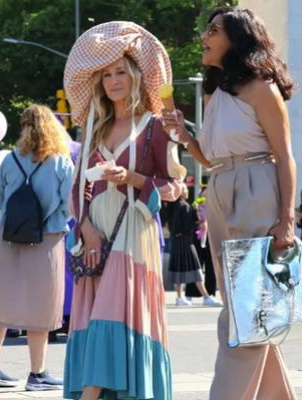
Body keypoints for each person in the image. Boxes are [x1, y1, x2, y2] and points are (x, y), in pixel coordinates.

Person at [163, 7, 297, 399]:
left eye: (214, 30)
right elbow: (209, 157)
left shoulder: (262, 88)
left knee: (246, 311)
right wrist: (185, 137)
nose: (204, 35)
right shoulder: (216, 90)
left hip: (256, 187)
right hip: (220, 188)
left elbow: (285, 155)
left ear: (236, 39)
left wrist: (286, 219)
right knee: (242, 307)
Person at [63, 21, 185, 400]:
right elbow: (76, 190)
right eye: (107, 74)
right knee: (93, 318)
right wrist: (85, 229)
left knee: (109, 318)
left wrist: (131, 178)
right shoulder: (95, 130)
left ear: (134, 76)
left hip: (134, 235)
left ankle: (90, 394)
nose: (114, 80)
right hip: (97, 238)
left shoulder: (154, 126)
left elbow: (175, 187)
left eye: (121, 72)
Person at [0, 104, 73, 390]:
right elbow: (70, 205)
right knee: (41, 308)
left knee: (2, 304)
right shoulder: (60, 161)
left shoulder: (9, 160)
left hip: (10, 239)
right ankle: (37, 373)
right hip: (46, 240)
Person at [169, 184, 221, 306]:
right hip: (188, 242)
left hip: (181, 241)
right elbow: (187, 225)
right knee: (196, 269)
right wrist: (199, 224)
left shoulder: (177, 206)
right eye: (185, 189)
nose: (187, 190)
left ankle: (180, 297)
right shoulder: (187, 206)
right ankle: (205, 296)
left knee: (181, 269)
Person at [185, 191, 218, 300]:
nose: (205, 198)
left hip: (210, 238)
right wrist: (199, 223)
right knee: (196, 266)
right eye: (203, 196)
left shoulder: (214, 208)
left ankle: (210, 294)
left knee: (211, 267)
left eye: (207, 196)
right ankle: (190, 293)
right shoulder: (195, 208)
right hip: (197, 238)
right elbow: (190, 223)